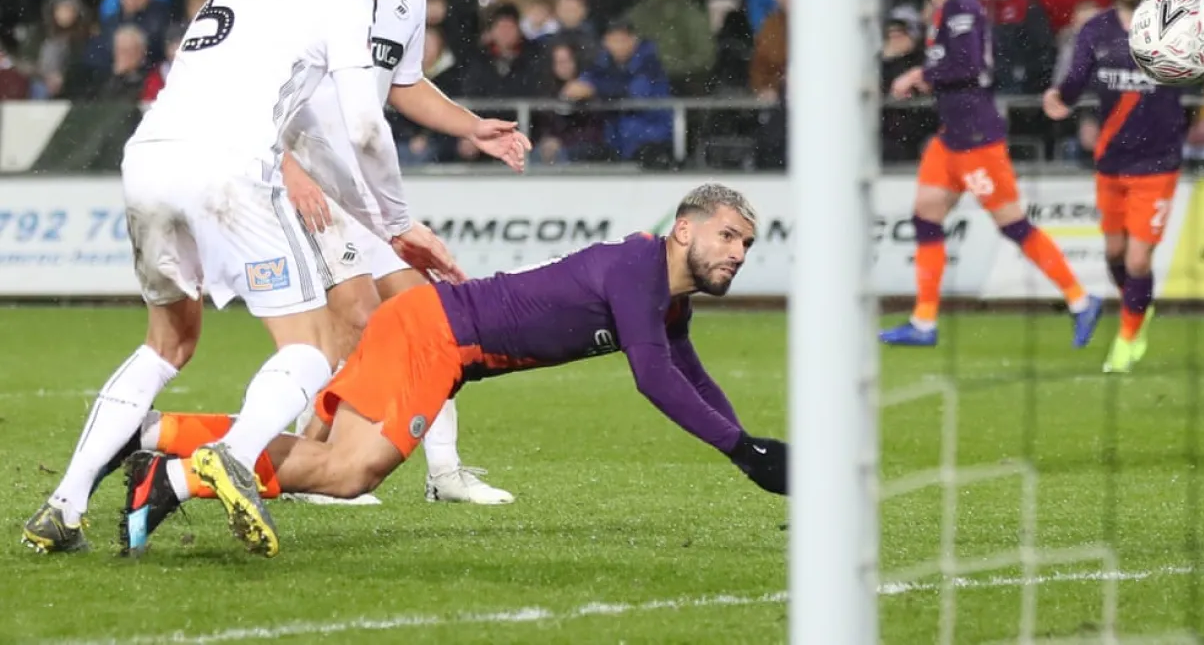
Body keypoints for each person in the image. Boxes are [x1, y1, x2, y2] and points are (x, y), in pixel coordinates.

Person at [22, 0, 458, 556]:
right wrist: (399, 222)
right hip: (227, 170)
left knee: (167, 344)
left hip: (149, 159)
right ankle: (233, 454)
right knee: (313, 343)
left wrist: (377, 222)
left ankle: (63, 507)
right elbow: (366, 129)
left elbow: (308, 133)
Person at [118, 184, 788, 557]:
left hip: (431, 330)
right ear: (683, 230)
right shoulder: (641, 269)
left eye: (747, 244)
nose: (738, 253)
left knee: (331, 462)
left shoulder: (666, 297)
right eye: (727, 236)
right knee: (348, 474)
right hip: (433, 336)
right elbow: (654, 376)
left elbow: (692, 377)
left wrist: (750, 448)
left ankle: (153, 436)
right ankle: (174, 477)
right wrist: (740, 449)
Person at [278, 0, 531, 508]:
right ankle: (308, 466)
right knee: (356, 320)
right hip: (302, 178)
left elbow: (404, 86)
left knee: (426, 316)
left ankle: (441, 471)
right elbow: (257, 90)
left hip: (360, 185)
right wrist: (290, 168)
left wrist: (473, 127)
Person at [882, 0, 1103, 348]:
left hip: (978, 139)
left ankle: (1080, 299)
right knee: (926, 215)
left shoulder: (963, 10)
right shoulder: (944, 10)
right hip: (951, 138)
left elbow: (969, 65)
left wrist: (919, 74)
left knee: (1014, 225)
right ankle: (924, 322)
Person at [1043, 0, 1204, 372]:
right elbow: (1075, 82)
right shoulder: (1095, 30)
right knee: (1114, 254)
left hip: (1158, 163)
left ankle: (1128, 337)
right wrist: (1059, 97)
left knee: (1136, 258)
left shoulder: (1180, 25)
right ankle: (1139, 305)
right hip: (1110, 163)